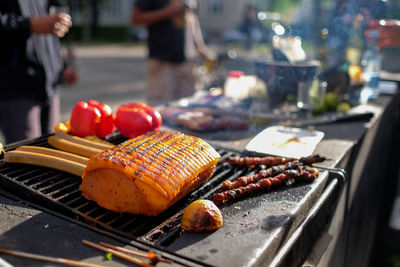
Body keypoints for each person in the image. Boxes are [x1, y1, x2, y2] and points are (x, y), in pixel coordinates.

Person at [0, 0, 77, 144]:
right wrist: (29, 25)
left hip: (50, 87)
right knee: (26, 157)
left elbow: (50, 23)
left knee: (53, 151)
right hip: (16, 88)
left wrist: (62, 65)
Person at [131, 0, 215, 106]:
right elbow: (135, 19)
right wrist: (165, 13)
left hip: (187, 62)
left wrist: (201, 48)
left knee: (189, 107)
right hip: (162, 62)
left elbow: (192, 18)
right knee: (160, 107)